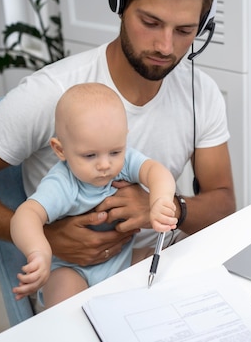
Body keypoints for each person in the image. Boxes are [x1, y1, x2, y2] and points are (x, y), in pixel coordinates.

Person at [0, 0, 236, 320]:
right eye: (150, 22)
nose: (166, 47)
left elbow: (223, 202)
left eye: (185, 31)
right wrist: (47, 239)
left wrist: (173, 206)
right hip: (70, 286)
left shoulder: (200, 92)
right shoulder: (52, 93)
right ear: (119, 2)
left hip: (151, 269)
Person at [11, 83, 177, 308]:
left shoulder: (124, 161)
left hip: (122, 261)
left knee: (169, 269)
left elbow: (155, 171)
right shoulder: (63, 182)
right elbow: (27, 214)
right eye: (90, 155)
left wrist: (160, 200)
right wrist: (39, 251)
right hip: (73, 269)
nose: (105, 165)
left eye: (115, 152)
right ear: (60, 149)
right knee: (65, 301)